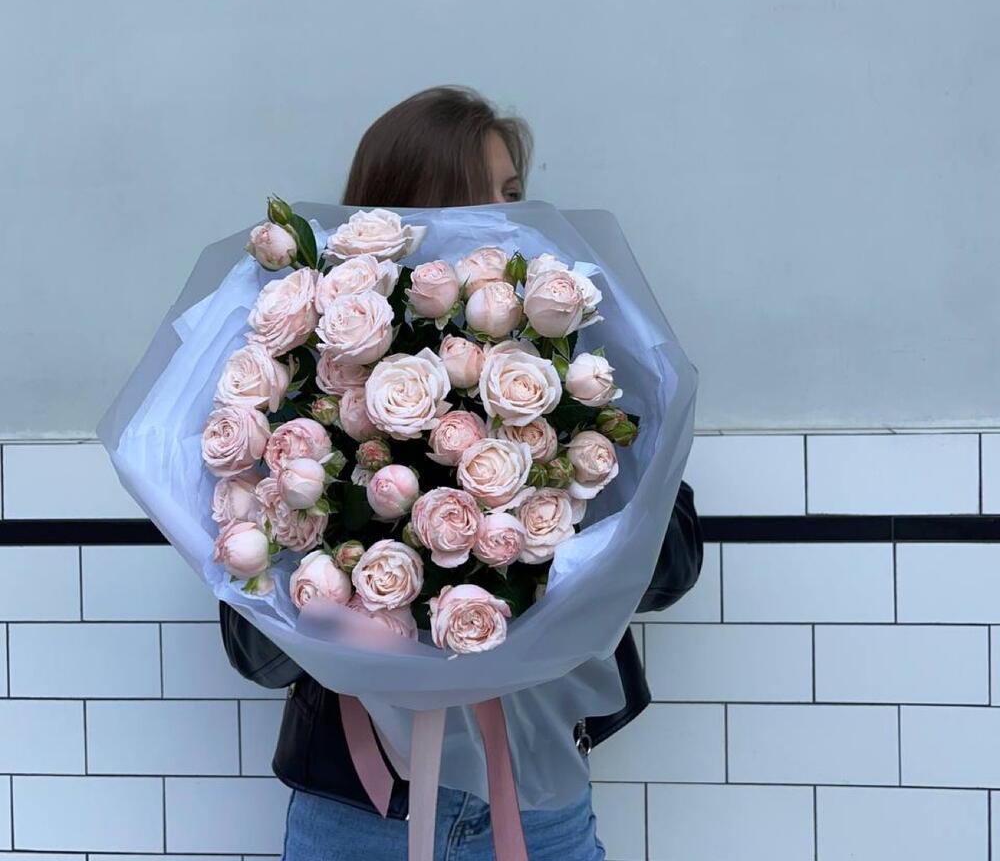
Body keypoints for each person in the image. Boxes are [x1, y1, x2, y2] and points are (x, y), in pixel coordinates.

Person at [218, 84, 703, 860]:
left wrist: (568, 497)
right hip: (356, 810)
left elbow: (672, 567)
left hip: (538, 799)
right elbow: (260, 653)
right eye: (480, 198)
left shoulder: (576, 362)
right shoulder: (302, 376)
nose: (508, 220)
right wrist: (344, 557)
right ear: (409, 210)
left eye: (514, 194)